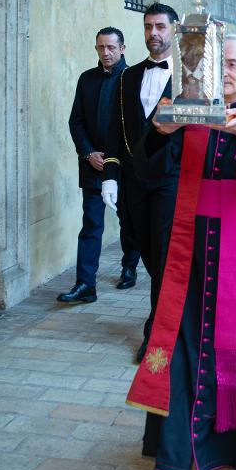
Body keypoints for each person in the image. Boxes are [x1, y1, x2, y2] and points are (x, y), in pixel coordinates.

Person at [126, 34, 236, 470]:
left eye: (235, 64)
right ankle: (173, 466)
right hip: (190, 252)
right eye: (220, 63)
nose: (226, 71)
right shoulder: (188, 113)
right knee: (181, 348)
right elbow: (145, 170)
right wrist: (158, 133)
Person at [102, 3, 179, 362]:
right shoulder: (128, 76)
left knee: (163, 258)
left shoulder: (190, 77)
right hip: (134, 182)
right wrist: (112, 176)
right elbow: (117, 131)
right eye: (148, 26)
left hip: (171, 180)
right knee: (144, 249)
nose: (153, 33)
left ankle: (158, 333)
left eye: (161, 26)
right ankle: (175, 313)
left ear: (174, 31)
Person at [57, 28, 140, 304]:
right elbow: (76, 121)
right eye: (100, 47)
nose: (105, 53)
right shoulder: (87, 79)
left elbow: (138, 125)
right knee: (91, 224)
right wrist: (88, 152)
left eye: (111, 47)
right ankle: (85, 284)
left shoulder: (133, 79)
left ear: (123, 48)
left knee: (128, 222)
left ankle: (129, 266)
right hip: (93, 165)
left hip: (124, 168)